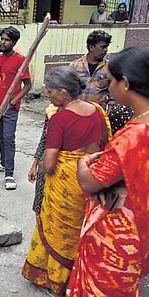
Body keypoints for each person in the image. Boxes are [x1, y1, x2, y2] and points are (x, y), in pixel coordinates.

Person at [21, 67, 111, 296]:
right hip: (90, 178)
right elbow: (103, 145)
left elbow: (50, 164)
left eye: (50, 92)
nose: (48, 96)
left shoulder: (59, 119)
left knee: (59, 231)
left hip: (65, 183)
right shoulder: (98, 111)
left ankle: (57, 280)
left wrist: (39, 164)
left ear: (63, 92)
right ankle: (80, 276)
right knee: (82, 228)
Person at [67, 48, 149, 297]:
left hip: (117, 235)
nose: (108, 86)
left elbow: (90, 182)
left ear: (125, 83)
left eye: (111, 81)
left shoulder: (134, 135)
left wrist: (84, 163)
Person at [0, 26, 32, 190]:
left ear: (13, 42)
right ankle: (3, 162)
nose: (3, 42)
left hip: (10, 107)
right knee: (0, 136)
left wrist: (14, 101)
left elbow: (28, 85)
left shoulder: (21, 60)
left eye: (6, 40)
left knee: (8, 138)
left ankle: (9, 174)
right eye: (2, 39)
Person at [69, 30, 133, 134]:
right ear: (91, 47)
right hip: (75, 114)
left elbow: (113, 96)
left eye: (106, 47)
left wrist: (109, 113)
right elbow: (67, 90)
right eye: (102, 47)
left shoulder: (110, 68)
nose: (105, 50)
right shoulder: (75, 66)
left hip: (97, 116)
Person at [27, 104, 58, 214]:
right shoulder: (51, 111)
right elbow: (44, 139)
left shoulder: (82, 115)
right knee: (40, 207)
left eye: (51, 91)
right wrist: (34, 165)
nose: (48, 94)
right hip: (43, 167)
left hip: (63, 172)